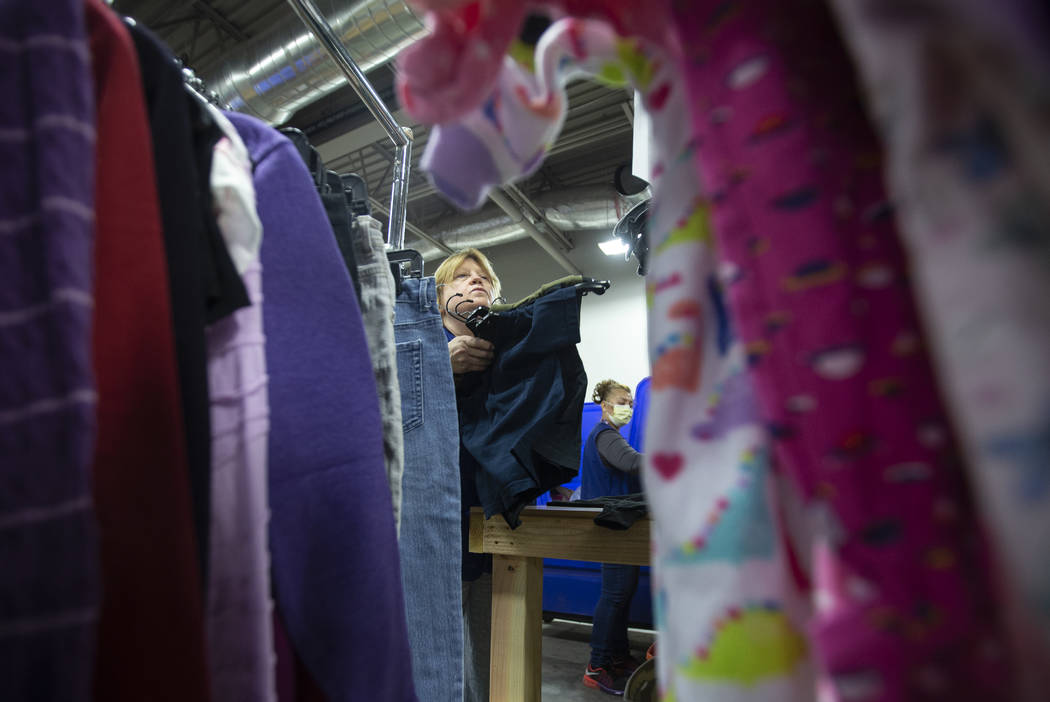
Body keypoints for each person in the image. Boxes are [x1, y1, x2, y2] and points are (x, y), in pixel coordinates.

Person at [434, 247, 501, 702]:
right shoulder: (418, 346)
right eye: (461, 277)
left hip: (495, 514)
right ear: (440, 295)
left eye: (483, 277)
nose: (475, 281)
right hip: (439, 514)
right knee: (440, 645)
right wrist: (442, 366)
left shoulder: (508, 352)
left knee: (495, 641)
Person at [580, 379, 644, 695]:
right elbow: (632, 462)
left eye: (631, 403)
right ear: (605, 405)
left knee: (623, 592)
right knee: (615, 593)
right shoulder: (605, 436)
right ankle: (597, 665)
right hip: (612, 524)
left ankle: (617, 657)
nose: (627, 407)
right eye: (622, 401)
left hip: (622, 524)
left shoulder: (612, 436)